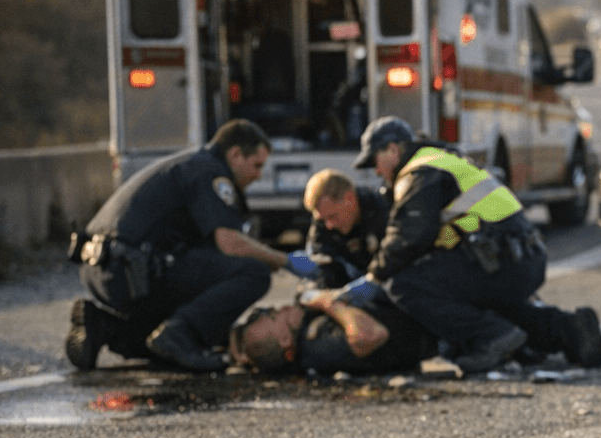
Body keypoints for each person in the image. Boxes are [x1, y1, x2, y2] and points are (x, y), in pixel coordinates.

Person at [347, 116, 601, 374]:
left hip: (500, 259)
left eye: (375, 161)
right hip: (521, 258)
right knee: (475, 303)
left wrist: (374, 277)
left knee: (403, 286)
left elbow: (408, 237)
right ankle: (572, 331)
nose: (376, 171)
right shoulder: (443, 160)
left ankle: (491, 338)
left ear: (393, 150)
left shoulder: (418, 172)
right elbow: (447, 232)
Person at [65, 119, 319, 372]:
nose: (258, 175)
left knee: (176, 339)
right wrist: (284, 260)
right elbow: (230, 244)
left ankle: (104, 327)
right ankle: (180, 335)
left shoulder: (190, 163)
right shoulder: (211, 172)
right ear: (235, 154)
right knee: (254, 273)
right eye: (257, 165)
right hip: (130, 272)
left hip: (101, 270)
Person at [229, 287, 437, 375]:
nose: (279, 308)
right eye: (274, 317)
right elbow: (369, 335)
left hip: (420, 308)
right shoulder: (318, 344)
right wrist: (328, 302)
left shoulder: (306, 330)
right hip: (432, 322)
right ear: (284, 339)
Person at [301, 168, 389, 288]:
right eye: (323, 219)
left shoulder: (383, 212)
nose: (329, 225)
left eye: (332, 216)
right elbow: (325, 274)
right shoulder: (320, 226)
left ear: (350, 198)